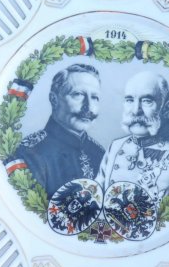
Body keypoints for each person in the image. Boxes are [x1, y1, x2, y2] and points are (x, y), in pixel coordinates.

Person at [95, 71, 169, 201]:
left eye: (147, 101)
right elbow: (96, 199)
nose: (136, 110)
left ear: (166, 109)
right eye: (130, 100)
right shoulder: (116, 146)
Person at [15, 64, 105, 198]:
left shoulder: (99, 152)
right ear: (54, 99)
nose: (89, 107)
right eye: (78, 94)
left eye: (95, 97)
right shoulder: (30, 153)